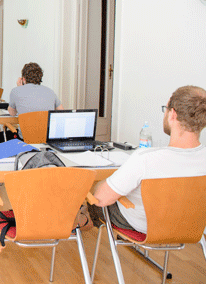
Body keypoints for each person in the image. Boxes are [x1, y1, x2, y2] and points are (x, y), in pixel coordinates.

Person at [87, 85, 206, 234]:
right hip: (190, 227)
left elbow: (101, 198)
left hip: (143, 226)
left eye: (166, 109)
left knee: (92, 201)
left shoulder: (146, 158)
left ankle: (81, 222)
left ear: (173, 114)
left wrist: (99, 183)